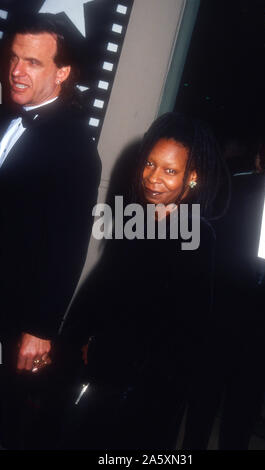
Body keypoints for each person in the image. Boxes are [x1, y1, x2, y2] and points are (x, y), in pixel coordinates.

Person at [59, 112, 229, 450]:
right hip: (102, 373)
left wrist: (131, 371)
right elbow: (104, 287)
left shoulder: (197, 234)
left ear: (192, 177)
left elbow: (188, 332)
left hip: (147, 392)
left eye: (170, 171)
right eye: (150, 164)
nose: (153, 178)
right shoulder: (136, 215)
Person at [0, 14, 101, 449]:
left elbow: (67, 249)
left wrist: (40, 329)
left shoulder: (76, 148)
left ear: (62, 73)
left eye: (34, 63)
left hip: (12, 314)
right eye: (15, 58)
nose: (17, 71)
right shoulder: (6, 115)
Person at [183, 114, 265, 450]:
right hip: (223, 315)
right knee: (203, 403)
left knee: (242, 413)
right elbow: (207, 251)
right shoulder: (237, 187)